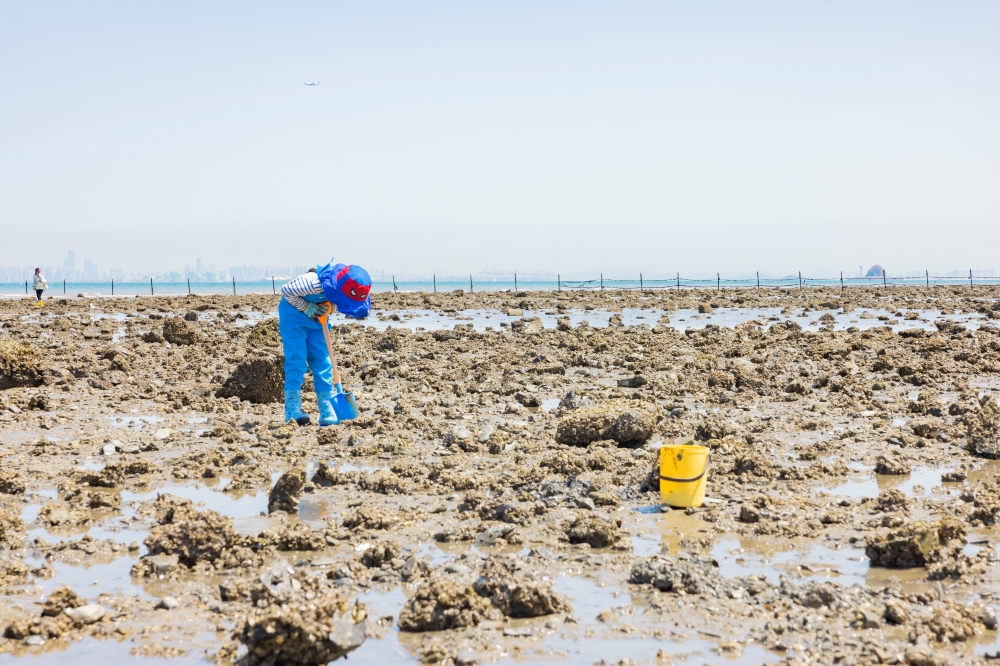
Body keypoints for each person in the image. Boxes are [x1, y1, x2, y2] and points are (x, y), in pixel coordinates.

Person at [279, 261, 371, 426]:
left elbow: (337, 302)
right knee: (296, 359)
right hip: (293, 318)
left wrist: (329, 308)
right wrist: (307, 307)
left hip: (317, 321)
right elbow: (286, 290)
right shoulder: (313, 283)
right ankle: (292, 408)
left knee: (322, 361)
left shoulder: (340, 290)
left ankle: (327, 406)